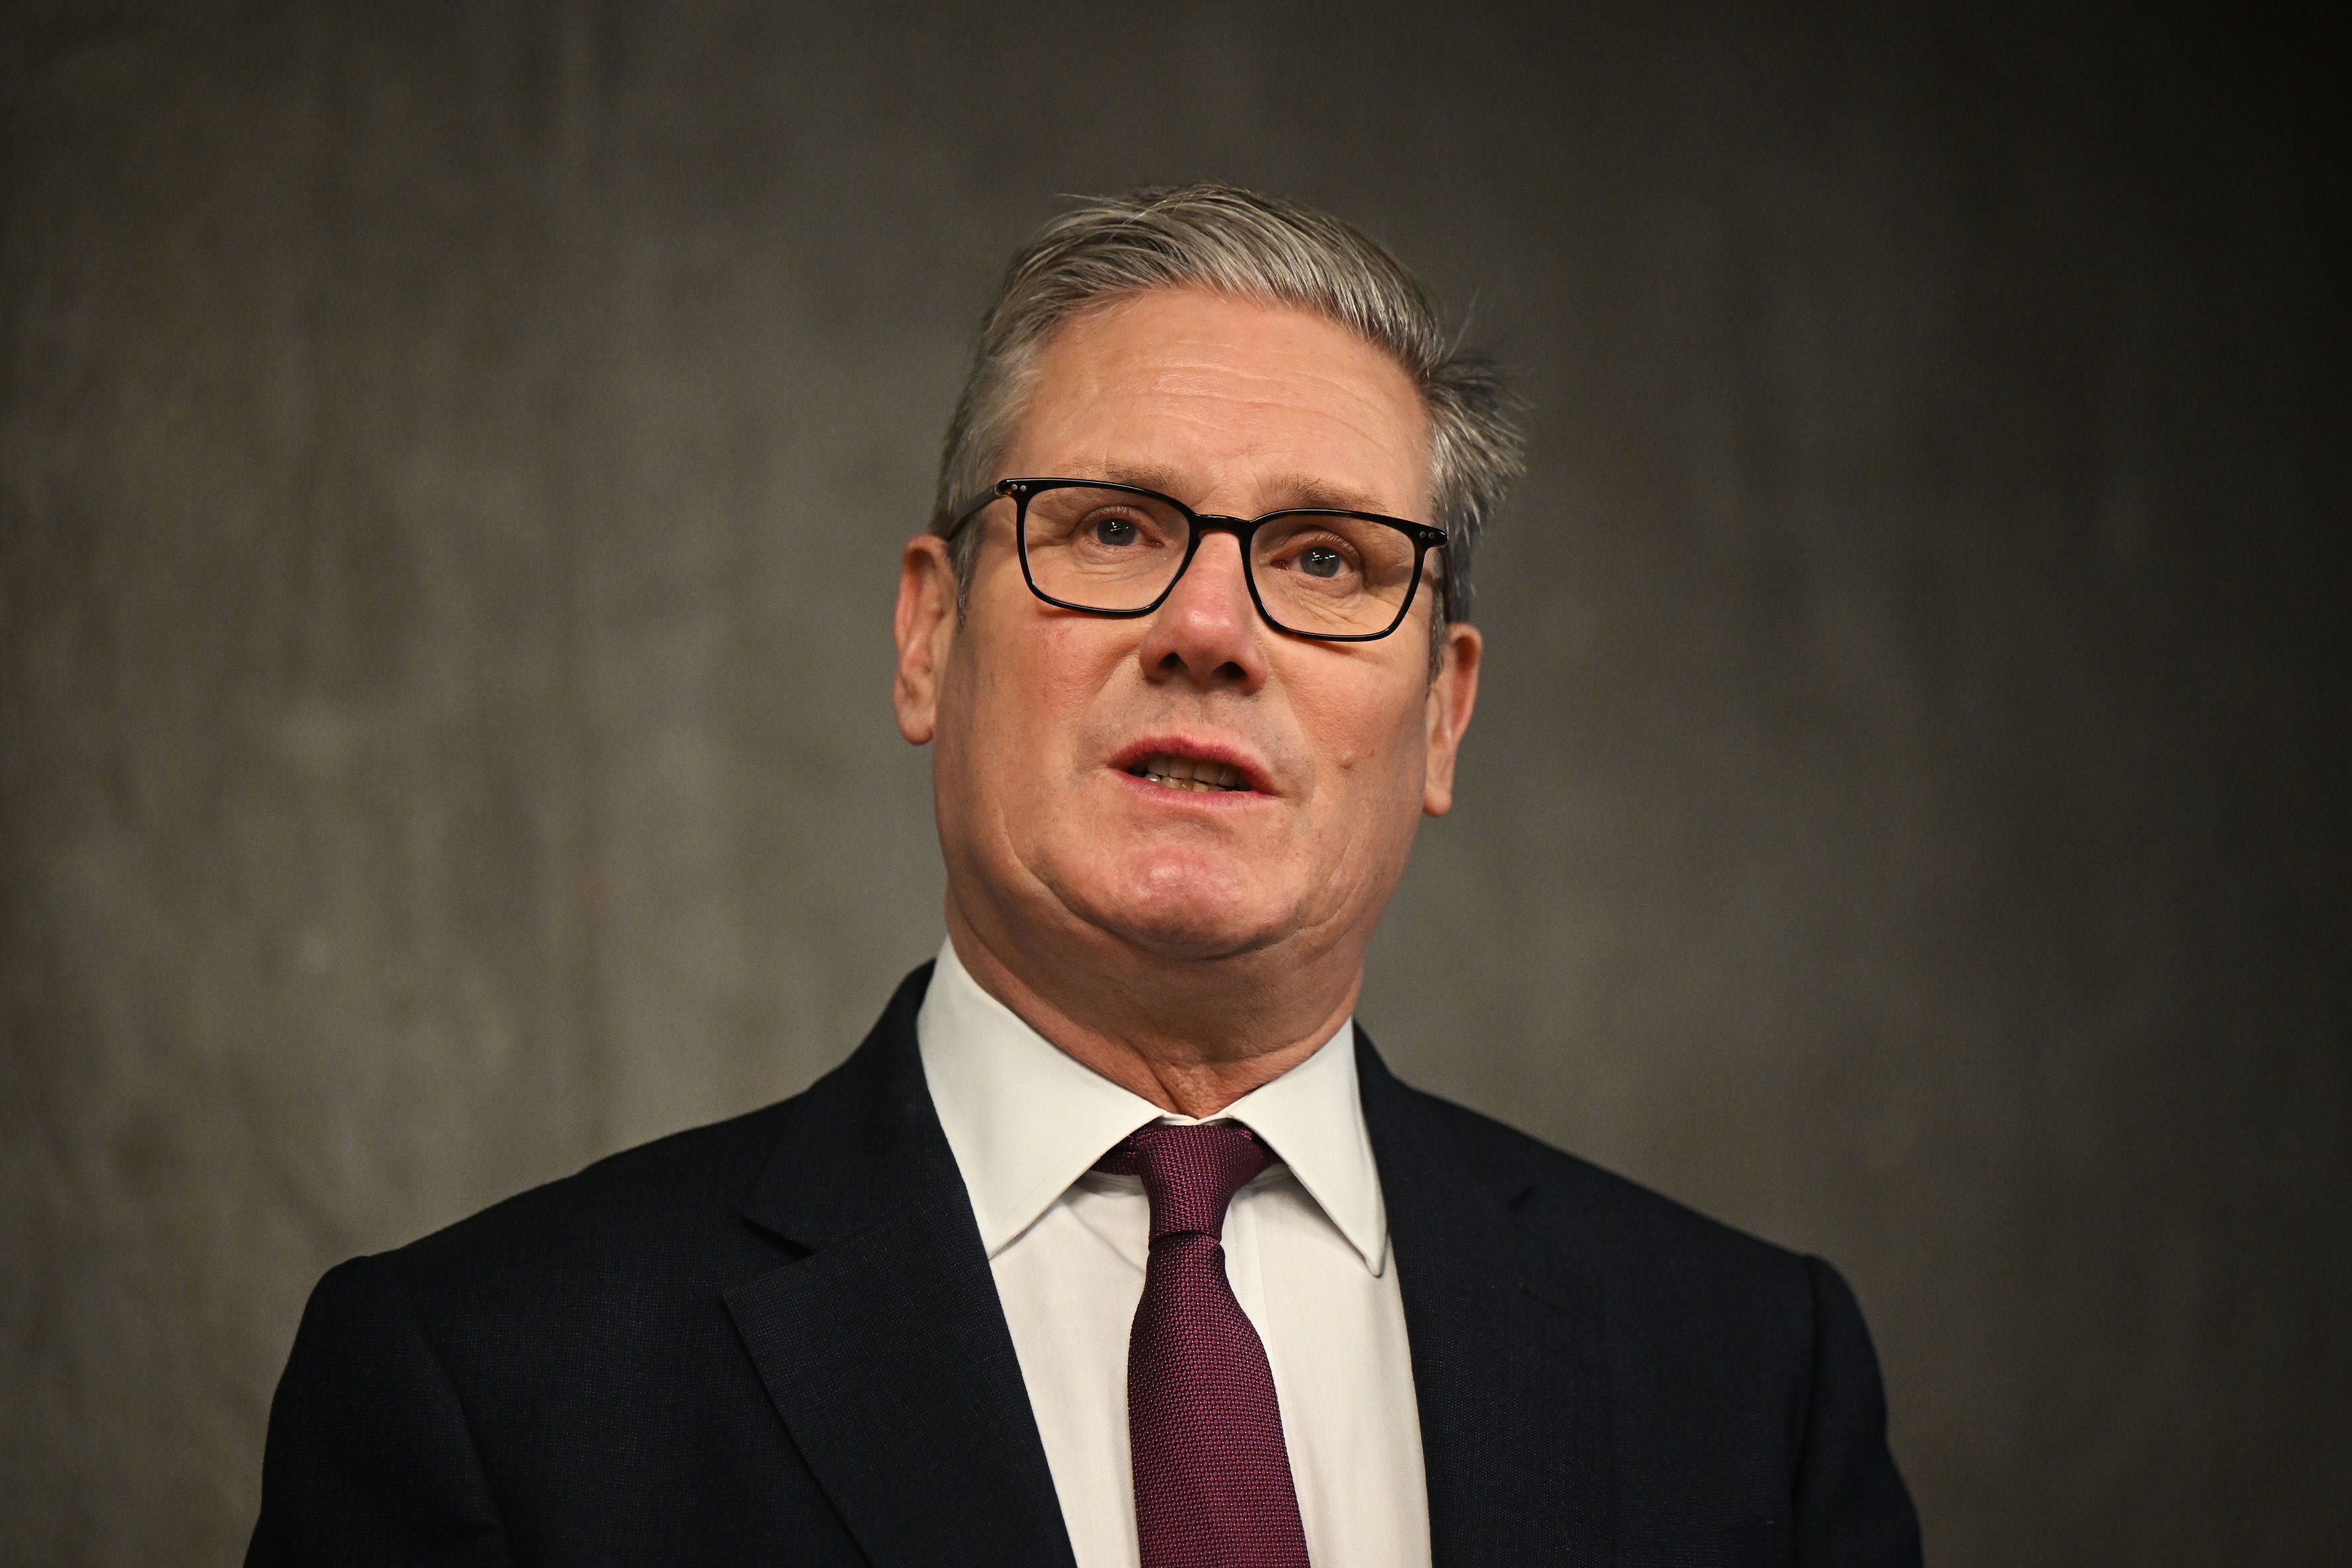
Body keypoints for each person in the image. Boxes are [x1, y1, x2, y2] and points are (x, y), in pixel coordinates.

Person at [247, 184, 1922, 1568]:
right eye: (1114, 527)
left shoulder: (1748, 1375)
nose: (1210, 631)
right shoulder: (486, 1383)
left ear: (1442, 716)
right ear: (927, 634)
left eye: (1324, 557)